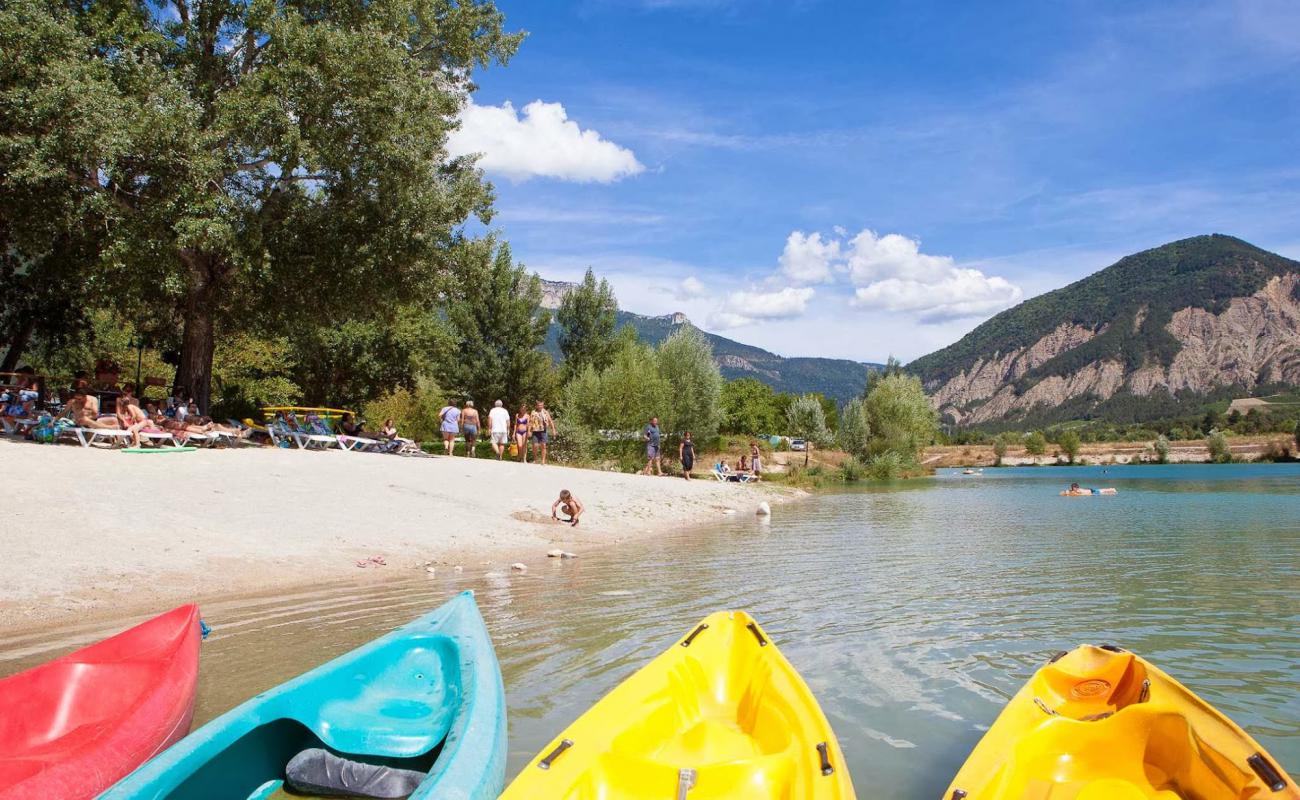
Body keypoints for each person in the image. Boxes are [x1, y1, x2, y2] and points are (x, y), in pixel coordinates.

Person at [530, 400, 556, 465]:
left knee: (543, 445)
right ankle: (535, 460)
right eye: (539, 405)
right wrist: (529, 431)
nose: (540, 406)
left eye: (541, 405)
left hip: (543, 430)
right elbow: (530, 422)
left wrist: (553, 430)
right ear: (536, 405)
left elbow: (550, 421)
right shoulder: (533, 412)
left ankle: (543, 461)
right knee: (535, 446)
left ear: (543, 405)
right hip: (535, 430)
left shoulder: (545, 412)